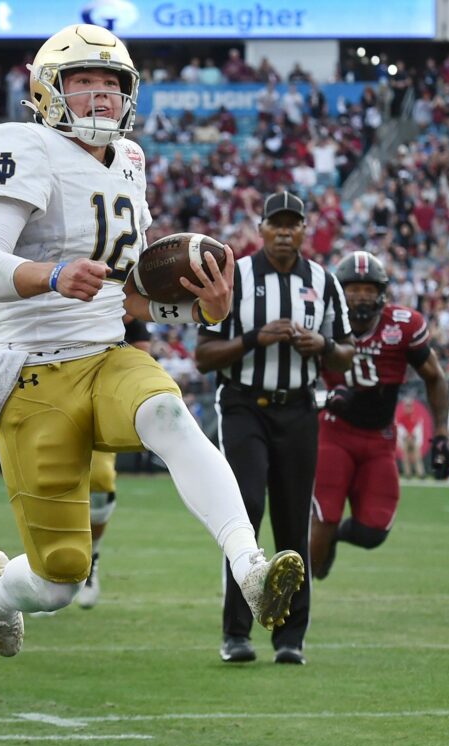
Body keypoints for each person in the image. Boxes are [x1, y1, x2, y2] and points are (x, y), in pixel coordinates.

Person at [0, 23, 305, 659]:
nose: (99, 97)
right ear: (47, 90)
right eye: (82, 82)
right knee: (60, 579)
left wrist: (203, 308)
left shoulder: (130, 160)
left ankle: (250, 567)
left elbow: (131, 294)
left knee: (170, 413)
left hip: (107, 356)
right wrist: (52, 275)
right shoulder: (18, 145)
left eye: (111, 84)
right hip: (32, 376)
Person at [195, 191, 355, 666]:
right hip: (245, 404)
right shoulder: (236, 276)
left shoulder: (324, 281)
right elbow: (203, 356)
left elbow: (346, 353)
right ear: (260, 228)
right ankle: (236, 633)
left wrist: (321, 345)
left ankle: (290, 637)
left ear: (305, 230)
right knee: (245, 509)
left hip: (300, 409)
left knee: (292, 521)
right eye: (276, 224)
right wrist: (252, 339)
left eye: (294, 224)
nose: (285, 233)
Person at [311, 251, 449, 581]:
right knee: (325, 516)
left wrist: (443, 433)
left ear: (382, 293)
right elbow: (293, 377)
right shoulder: (322, 322)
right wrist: (325, 396)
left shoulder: (404, 325)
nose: (362, 295)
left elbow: (435, 377)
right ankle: (296, 610)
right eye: (354, 288)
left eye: (369, 288)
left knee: (373, 530)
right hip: (333, 432)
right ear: (340, 291)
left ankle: (336, 537)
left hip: (380, 438)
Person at [76, 315, 153, 609]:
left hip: (96, 400)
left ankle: (91, 557)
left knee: (100, 481)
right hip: (47, 392)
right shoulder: (54, 286)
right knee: (44, 484)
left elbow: (141, 351)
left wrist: (119, 316)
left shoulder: (116, 298)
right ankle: (45, 569)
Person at [395, 394, 432, 479]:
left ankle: (421, 473)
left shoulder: (416, 417)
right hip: (405, 439)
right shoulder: (401, 417)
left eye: (409, 406)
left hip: (414, 439)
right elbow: (400, 429)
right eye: (407, 406)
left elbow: (418, 429)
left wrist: (414, 438)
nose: (408, 408)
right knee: (405, 457)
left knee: (418, 457)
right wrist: (405, 437)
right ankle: (408, 474)